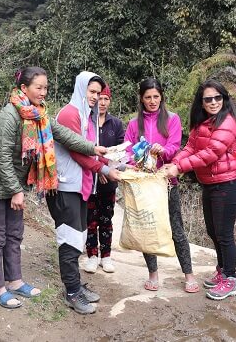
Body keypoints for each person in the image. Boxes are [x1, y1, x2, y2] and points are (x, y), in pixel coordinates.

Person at [0, 66, 107, 310]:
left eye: (46, 87)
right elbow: (2, 158)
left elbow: (64, 134)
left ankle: (15, 281)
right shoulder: (8, 117)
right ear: (24, 88)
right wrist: (15, 190)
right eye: (39, 87)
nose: (43, 92)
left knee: (14, 235)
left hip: (14, 185)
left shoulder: (38, 115)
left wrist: (92, 148)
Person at [162, 79, 236, 301]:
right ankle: (222, 271)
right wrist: (174, 162)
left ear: (224, 99)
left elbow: (211, 153)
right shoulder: (203, 123)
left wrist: (179, 168)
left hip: (227, 183)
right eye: (208, 99)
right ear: (202, 102)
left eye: (218, 97)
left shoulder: (228, 123)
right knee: (213, 231)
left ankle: (231, 279)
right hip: (210, 182)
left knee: (224, 234)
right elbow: (190, 147)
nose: (214, 102)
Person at [48, 71, 122, 315]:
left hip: (80, 186)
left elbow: (92, 151)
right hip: (65, 186)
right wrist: (103, 169)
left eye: (98, 93)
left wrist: (110, 164)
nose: (95, 97)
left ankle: (76, 285)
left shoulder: (87, 116)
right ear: (81, 88)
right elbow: (77, 151)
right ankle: (71, 292)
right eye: (91, 91)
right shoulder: (70, 114)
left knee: (78, 238)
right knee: (69, 240)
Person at [125, 78, 199, 293]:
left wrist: (163, 151)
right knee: (147, 229)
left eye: (156, 96)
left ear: (161, 97)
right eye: (148, 97)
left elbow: (175, 147)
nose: (152, 101)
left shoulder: (172, 119)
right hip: (143, 184)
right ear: (141, 98)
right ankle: (153, 274)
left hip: (167, 183)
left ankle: (189, 274)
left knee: (176, 229)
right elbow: (128, 150)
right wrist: (134, 160)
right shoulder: (133, 124)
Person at [83, 84, 125, 274]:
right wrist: (99, 170)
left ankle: (106, 256)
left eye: (106, 98)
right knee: (90, 220)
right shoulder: (86, 122)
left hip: (109, 182)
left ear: (110, 101)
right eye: (99, 98)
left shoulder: (115, 124)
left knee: (106, 220)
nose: (102, 102)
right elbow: (84, 150)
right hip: (89, 180)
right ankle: (92, 255)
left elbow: (121, 153)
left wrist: (107, 170)